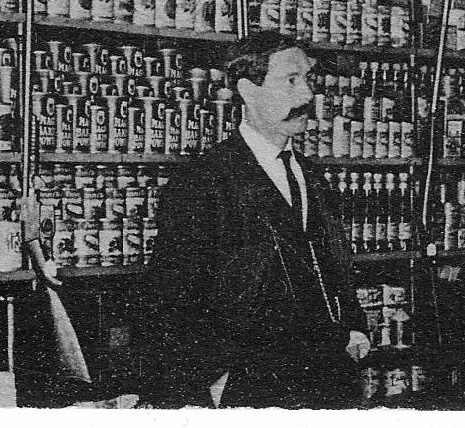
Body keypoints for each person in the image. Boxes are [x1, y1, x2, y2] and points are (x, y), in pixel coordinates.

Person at [135, 32, 370, 407]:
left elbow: (330, 265)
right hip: (250, 387)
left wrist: (355, 326)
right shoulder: (205, 179)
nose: (307, 95)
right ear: (248, 89)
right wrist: (210, 380)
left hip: (326, 378)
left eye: (308, 79)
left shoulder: (311, 176)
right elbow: (169, 300)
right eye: (291, 81)